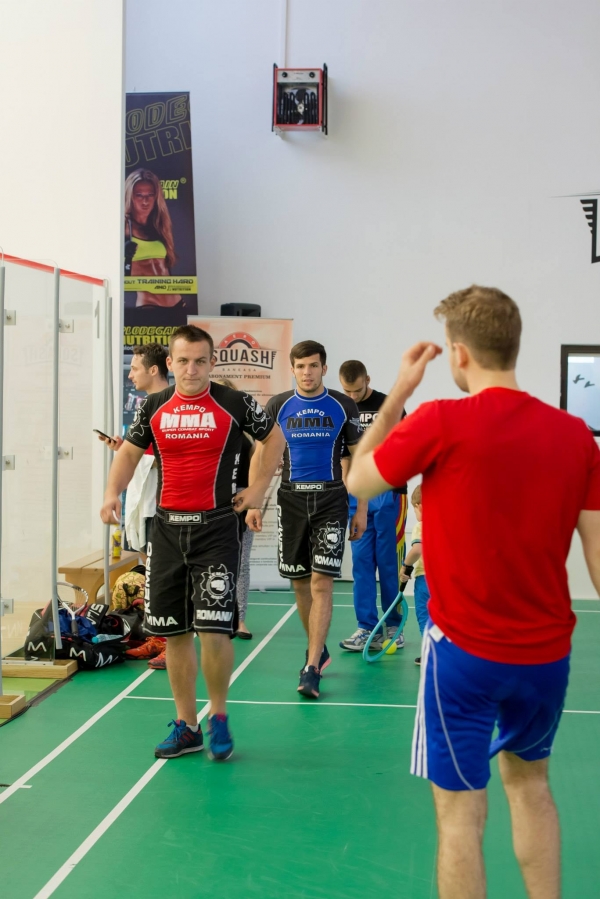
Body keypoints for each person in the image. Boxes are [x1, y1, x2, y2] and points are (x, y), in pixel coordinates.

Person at [347, 285, 600, 899]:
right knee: (532, 788)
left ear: (458, 353)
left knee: (460, 815)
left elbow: (359, 480)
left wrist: (398, 393)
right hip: (545, 657)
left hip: (463, 657)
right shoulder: (576, 437)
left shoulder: (439, 420)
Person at [100, 325, 285, 762]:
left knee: (213, 631)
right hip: (167, 532)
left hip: (216, 529)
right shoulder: (153, 406)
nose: (191, 369)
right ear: (170, 363)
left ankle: (218, 714)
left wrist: (258, 490)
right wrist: (111, 493)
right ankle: (187, 726)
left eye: (200, 361)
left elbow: (274, 438)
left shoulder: (234, 402)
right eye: (183, 361)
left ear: (212, 362)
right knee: (174, 633)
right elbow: (129, 452)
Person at [250, 340, 363, 699]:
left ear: (324, 368)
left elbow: (359, 459)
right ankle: (319, 647)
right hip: (291, 500)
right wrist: (254, 501)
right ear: (293, 369)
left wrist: (360, 508)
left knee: (321, 582)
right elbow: (261, 455)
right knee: (299, 582)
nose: (307, 372)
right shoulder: (278, 405)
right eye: (300, 366)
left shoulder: (342, 405)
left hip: (331, 499)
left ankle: (311, 665)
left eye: (313, 366)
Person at [337, 359, 408, 652]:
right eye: (347, 391)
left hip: (390, 493)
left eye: (357, 390)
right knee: (362, 564)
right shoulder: (341, 408)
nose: (352, 397)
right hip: (357, 497)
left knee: (390, 565)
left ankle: (393, 627)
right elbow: (343, 454)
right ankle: (366, 627)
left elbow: (406, 448)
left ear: (368, 380)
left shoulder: (390, 406)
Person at [213, 377, 255, 640]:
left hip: (242, 498)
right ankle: (214, 617)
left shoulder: (246, 431)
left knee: (241, 561)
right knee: (213, 561)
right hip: (215, 498)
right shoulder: (207, 428)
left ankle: (240, 619)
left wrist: (253, 500)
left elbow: (256, 468)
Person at [124, 168, 187, 321]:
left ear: (156, 196)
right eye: (139, 195)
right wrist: (125, 258)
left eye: (150, 195)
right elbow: (119, 279)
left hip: (177, 304)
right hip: (149, 307)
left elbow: (166, 268)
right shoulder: (123, 227)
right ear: (130, 196)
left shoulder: (159, 225)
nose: (145, 201)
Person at [399, 483, 429, 665]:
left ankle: (429, 653)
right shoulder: (449, 523)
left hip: (426, 579)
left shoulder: (422, 526)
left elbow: (418, 549)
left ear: (420, 506)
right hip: (447, 580)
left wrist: (405, 566)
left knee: (425, 616)